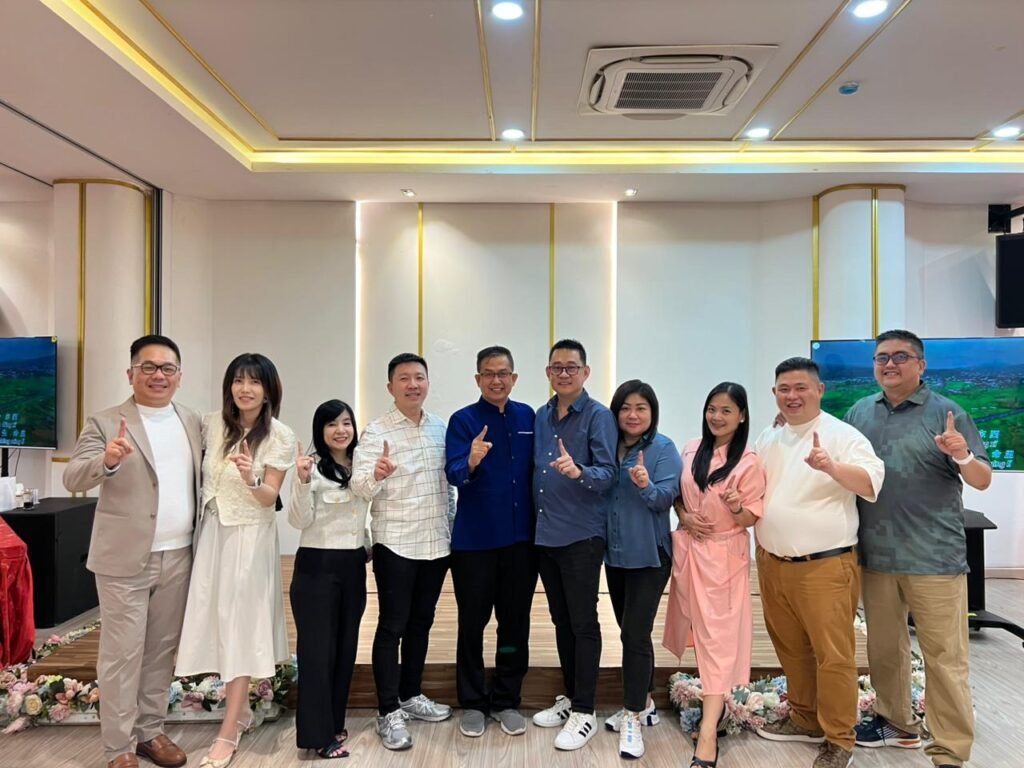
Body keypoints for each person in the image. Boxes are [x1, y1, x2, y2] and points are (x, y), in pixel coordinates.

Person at [845, 330, 991, 768]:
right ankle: (897, 723)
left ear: (921, 365)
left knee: (945, 658)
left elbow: (982, 479)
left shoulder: (947, 412)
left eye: (900, 357)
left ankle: (950, 750)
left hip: (934, 559)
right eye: (882, 357)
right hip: (876, 557)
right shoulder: (859, 411)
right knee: (885, 652)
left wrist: (962, 455)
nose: (890, 364)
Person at [65, 335, 201, 768]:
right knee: (121, 656)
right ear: (131, 374)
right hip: (124, 559)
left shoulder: (192, 421)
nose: (158, 375)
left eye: (167, 368)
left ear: (179, 376)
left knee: (161, 651)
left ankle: (150, 733)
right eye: (149, 367)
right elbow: (73, 477)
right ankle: (119, 747)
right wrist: (106, 461)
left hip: (179, 554)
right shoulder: (105, 422)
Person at [753, 357, 884, 768]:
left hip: (825, 566)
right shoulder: (769, 437)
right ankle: (804, 718)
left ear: (819, 390)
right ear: (775, 393)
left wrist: (831, 466)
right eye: (784, 389)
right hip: (772, 563)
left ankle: (839, 738)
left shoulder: (842, 435)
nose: (792, 396)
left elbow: (871, 483)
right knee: (791, 649)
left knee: (833, 656)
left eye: (801, 388)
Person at [174, 353, 296, 768]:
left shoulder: (279, 435)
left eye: (254, 382)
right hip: (213, 533)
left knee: (240, 625)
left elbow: (269, 497)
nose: (245, 389)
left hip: (250, 539)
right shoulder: (211, 424)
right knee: (217, 620)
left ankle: (228, 728)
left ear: (268, 390)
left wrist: (251, 478)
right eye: (239, 380)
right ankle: (240, 710)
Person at [351, 352, 454, 751]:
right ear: (390, 386)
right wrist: (376, 475)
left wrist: (451, 526)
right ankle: (387, 709)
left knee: (421, 623)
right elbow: (359, 487)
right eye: (404, 378)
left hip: (436, 543)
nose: (413, 384)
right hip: (395, 542)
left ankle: (411, 694)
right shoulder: (377, 431)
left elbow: (448, 487)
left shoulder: (440, 428)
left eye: (419, 377)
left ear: (428, 382)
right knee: (392, 625)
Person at [663, 382, 766, 768]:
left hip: (724, 558)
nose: (717, 417)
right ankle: (715, 710)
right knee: (701, 636)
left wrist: (737, 507)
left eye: (726, 410)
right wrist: (684, 515)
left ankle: (707, 734)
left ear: (742, 416)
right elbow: (678, 495)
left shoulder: (749, 461)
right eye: (712, 409)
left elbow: (751, 517)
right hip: (691, 551)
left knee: (718, 641)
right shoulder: (692, 449)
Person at [530, 339, 617, 751]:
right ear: (548, 372)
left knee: (583, 623)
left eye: (571, 367)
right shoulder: (541, 415)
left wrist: (578, 471)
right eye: (557, 367)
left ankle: (585, 710)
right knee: (561, 621)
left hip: (581, 535)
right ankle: (570, 697)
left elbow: (608, 474)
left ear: (586, 372)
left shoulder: (598, 416)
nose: (563, 373)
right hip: (546, 534)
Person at [445, 346, 536, 739]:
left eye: (503, 373)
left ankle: (506, 700)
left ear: (514, 378)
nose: (496, 380)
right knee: (472, 624)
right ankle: (472, 701)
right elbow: (452, 473)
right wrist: (470, 460)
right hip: (475, 544)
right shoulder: (463, 420)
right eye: (488, 373)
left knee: (514, 625)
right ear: (478, 379)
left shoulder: (529, 417)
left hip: (522, 542)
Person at [603, 380, 682, 760]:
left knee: (634, 634)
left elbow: (666, 498)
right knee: (631, 632)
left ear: (652, 413)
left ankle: (633, 714)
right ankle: (646, 702)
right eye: (625, 408)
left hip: (650, 556)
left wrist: (646, 484)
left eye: (641, 408)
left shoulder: (662, 448)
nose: (632, 415)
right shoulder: (607, 446)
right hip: (615, 556)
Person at [287, 399, 369, 759]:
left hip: (353, 565)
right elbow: (298, 520)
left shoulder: (360, 467)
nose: (341, 430)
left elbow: (361, 514)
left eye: (346, 423)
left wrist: (367, 544)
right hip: (316, 566)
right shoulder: (311, 468)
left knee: (345, 649)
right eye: (332, 424)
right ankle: (316, 737)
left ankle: (334, 722)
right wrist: (302, 481)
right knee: (317, 653)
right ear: (320, 431)